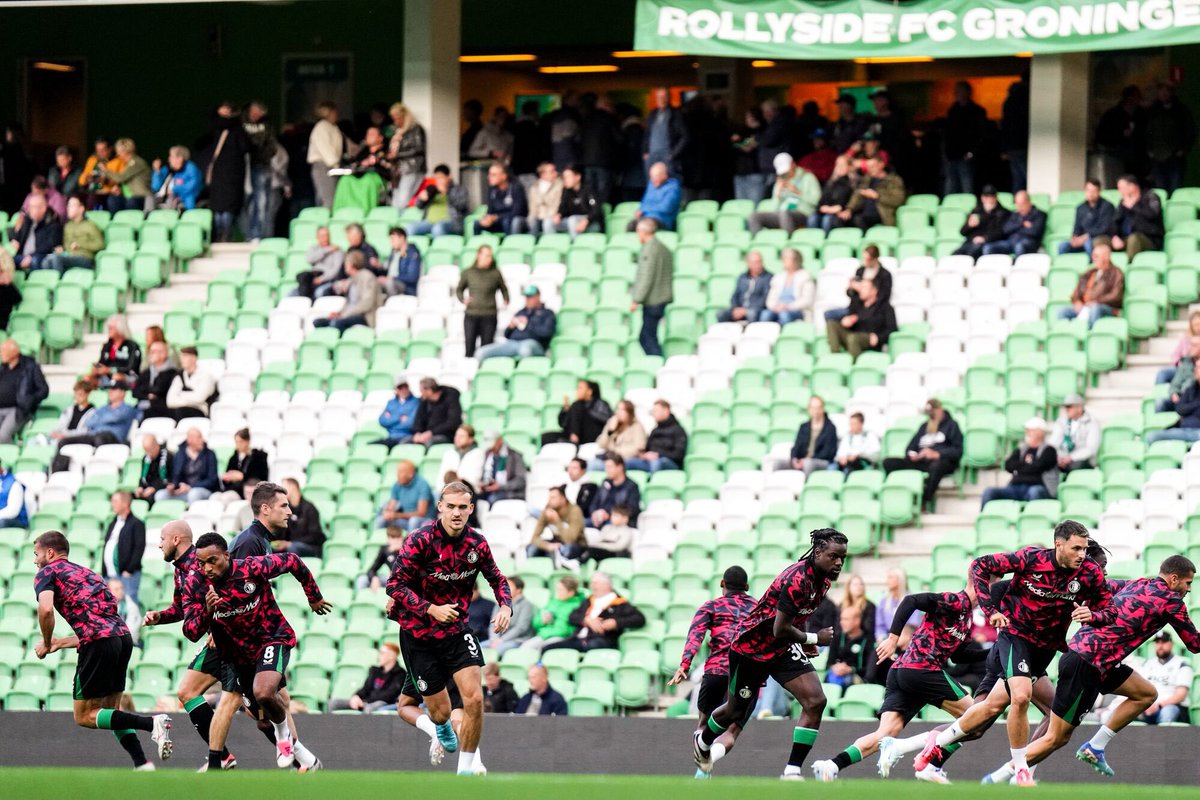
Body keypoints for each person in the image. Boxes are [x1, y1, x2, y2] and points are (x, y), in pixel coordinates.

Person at [913, 521, 1115, 787]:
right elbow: (980, 567)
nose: (1082, 555)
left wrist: (1093, 615)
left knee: (989, 714)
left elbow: (1108, 612)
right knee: (1010, 702)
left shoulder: (1089, 576)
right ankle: (1018, 769)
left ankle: (927, 745)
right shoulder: (1030, 562)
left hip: (1041, 652)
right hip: (1011, 643)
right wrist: (991, 612)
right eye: (1077, 548)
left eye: (1085, 550)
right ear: (1059, 544)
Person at [979, 556, 1198, 783]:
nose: (1188, 589)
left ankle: (1095, 747)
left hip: (1094, 658)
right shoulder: (1172, 601)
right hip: (1087, 663)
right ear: (1174, 579)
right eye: (1188, 583)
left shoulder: (1137, 583)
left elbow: (1096, 591)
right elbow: (1195, 644)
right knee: (1057, 737)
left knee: (1146, 694)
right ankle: (999, 777)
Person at [693, 529, 846, 779]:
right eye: (833, 556)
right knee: (735, 711)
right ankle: (703, 741)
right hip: (751, 649)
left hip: (781, 648)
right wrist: (815, 638)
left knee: (816, 700)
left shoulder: (824, 580)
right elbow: (781, 628)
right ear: (817, 553)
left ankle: (792, 771)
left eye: (842, 558)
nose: (839, 562)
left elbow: (800, 614)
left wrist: (805, 642)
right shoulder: (797, 579)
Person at [386, 481, 514, 776]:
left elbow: (497, 578)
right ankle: (439, 728)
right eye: (451, 506)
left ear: (471, 509)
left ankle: (467, 770)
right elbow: (394, 583)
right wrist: (430, 608)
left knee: (475, 698)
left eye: (462, 508)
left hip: (458, 630)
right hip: (419, 634)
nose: (457, 513)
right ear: (440, 506)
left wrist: (505, 606)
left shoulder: (477, 543)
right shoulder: (420, 540)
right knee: (441, 711)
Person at [183, 532, 330, 771]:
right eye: (201, 563)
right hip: (239, 656)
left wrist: (314, 597)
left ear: (227, 556)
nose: (206, 568)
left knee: (264, 692)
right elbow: (190, 631)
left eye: (213, 560)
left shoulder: (251, 567)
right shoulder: (196, 584)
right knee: (261, 721)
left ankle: (283, 734)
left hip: (272, 637)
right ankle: (306, 760)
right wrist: (207, 612)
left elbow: (293, 561)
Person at [815, 581, 982, 783]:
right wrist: (893, 639)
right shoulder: (954, 600)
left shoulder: (967, 619)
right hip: (921, 667)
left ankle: (831, 765)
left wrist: (995, 651)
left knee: (885, 734)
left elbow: (959, 655)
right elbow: (910, 600)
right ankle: (926, 762)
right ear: (980, 583)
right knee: (976, 718)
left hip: (905, 671)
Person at [31, 531, 173, 769]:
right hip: (122, 638)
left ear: (50, 552)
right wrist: (58, 643)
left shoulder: (47, 572)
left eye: (36, 554)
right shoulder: (89, 574)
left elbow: (46, 610)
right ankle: (142, 764)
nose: (35, 560)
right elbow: (101, 626)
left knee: (84, 715)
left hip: (99, 643)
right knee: (110, 711)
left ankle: (152, 723)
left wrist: (46, 642)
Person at [140, 521, 247, 771]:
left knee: (260, 707)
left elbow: (233, 586)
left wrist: (221, 621)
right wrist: (160, 617)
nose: (159, 544)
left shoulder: (199, 564)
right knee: (188, 691)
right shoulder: (180, 569)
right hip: (218, 641)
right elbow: (181, 609)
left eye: (162, 538)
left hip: (232, 640)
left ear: (176, 539)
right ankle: (221, 756)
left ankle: (299, 758)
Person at [668, 565, 757, 774]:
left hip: (716, 672)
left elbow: (695, 635)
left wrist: (684, 665)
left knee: (704, 723)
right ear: (746, 587)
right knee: (733, 730)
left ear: (722, 585)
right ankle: (706, 767)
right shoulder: (758, 607)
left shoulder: (711, 606)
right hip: (747, 674)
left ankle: (702, 756)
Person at [882, 398, 963, 510]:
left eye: (933, 412)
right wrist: (913, 455)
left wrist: (937, 453)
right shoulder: (924, 426)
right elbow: (910, 447)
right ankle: (900, 496)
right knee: (889, 463)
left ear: (940, 409)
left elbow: (957, 450)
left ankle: (923, 500)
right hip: (921, 461)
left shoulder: (952, 425)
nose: (931, 415)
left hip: (941, 461)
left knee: (937, 467)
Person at [542, 571, 645, 653]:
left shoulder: (620, 603)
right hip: (578, 639)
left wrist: (616, 623)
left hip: (602, 639)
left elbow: (639, 619)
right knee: (547, 649)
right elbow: (572, 616)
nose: (592, 586)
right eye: (591, 583)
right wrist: (586, 620)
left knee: (592, 647)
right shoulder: (588, 601)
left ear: (607, 585)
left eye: (596, 583)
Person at [980, 418, 1058, 508]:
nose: (1027, 433)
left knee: (1035, 492)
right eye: (1027, 430)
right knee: (989, 492)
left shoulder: (1049, 450)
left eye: (1031, 430)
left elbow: (1038, 466)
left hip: (1037, 486)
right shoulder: (1021, 449)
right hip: (1015, 487)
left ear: (1040, 433)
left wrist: (1019, 466)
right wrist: (1028, 465)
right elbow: (1008, 465)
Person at [475, 285, 556, 362]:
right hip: (513, 343)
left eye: (530, 297)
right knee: (481, 352)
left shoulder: (547, 313)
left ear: (538, 296)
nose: (527, 299)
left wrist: (528, 324)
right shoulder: (521, 312)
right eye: (526, 297)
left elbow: (546, 333)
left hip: (534, 344)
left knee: (524, 350)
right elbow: (506, 335)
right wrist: (511, 327)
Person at [456, 245, 510, 358]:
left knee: (487, 349)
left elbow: (504, 289)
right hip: (471, 314)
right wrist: (463, 299)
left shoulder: (495, 273)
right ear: (478, 255)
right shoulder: (468, 272)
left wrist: (506, 299)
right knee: (469, 347)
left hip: (489, 315)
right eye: (486, 255)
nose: (489, 258)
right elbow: (459, 289)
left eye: (490, 256)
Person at [631, 217, 673, 357]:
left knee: (647, 337)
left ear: (643, 232)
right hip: (662, 298)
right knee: (649, 336)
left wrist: (636, 299)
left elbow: (646, 276)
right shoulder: (663, 248)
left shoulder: (649, 250)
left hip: (653, 300)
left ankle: (657, 364)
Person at [1057, 241, 1125, 329]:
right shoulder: (1090, 272)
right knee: (1062, 311)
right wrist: (1077, 301)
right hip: (1085, 306)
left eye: (1096, 256)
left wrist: (1097, 301)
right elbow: (1077, 290)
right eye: (1093, 256)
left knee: (1095, 309)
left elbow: (1116, 295)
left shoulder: (1116, 273)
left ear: (1106, 257)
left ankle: (1090, 337)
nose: (1093, 259)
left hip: (1105, 307)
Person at [747, 153, 820, 234]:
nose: (785, 174)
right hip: (782, 213)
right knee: (754, 217)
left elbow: (816, 200)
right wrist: (778, 195)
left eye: (787, 170)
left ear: (793, 164)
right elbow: (774, 208)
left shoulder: (808, 177)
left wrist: (798, 192)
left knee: (784, 214)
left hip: (803, 213)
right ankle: (759, 243)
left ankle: (788, 242)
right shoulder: (781, 181)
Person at [312, 251, 381, 334]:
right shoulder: (351, 279)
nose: (344, 265)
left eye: (346, 263)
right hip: (348, 314)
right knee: (318, 322)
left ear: (351, 264)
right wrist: (339, 313)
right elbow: (349, 303)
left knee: (337, 323)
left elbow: (367, 304)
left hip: (363, 316)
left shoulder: (367, 277)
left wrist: (346, 314)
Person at [826, 278, 896, 359]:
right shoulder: (857, 304)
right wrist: (845, 321)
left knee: (853, 338)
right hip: (852, 336)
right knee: (831, 324)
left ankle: (855, 367)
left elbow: (892, 328)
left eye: (864, 287)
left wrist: (879, 338)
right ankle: (835, 358)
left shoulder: (885, 308)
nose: (860, 290)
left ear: (874, 290)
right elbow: (849, 315)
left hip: (870, 339)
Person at [1145, 82, 1197, 193]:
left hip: (1175, 156)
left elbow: (1190, 131)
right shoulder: (1152, 111)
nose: (1164, 94)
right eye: (1162, 91)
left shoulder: (1181, 110)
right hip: (1157, 157)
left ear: (1172, 93)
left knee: (1175, 189)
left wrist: (1184, 149)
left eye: (1167, 91)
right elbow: (1147, 132)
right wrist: (1149, 149)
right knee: (1160, 190)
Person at [56, 379, 136, 449]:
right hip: (94, 436)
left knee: (99, 438)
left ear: (123, 393)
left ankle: (96, 464)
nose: (110, 392)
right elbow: (90, 422)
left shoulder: (127, 408)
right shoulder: (103, 408)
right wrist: (105, 419)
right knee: (64, 442)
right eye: (109, 389)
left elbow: (114, 418)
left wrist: (100, 419)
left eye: (114, 389)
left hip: (114, 438)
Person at [1137, 629, 1195, 725]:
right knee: (1131, 712)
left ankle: (1163, 739)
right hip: (1149, 707)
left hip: (1173, 707)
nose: (1160, 646)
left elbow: (1181, 695)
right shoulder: (1147, 664)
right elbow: (1139, 690)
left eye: (1164, 642)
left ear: (1171, 643)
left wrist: (1159, 706)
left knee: (1167, 712)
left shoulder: (1181, 664)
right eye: (1157, 642)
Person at [824, 245, 892, 324]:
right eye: (864, 259)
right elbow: (850, 294)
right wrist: (851, 288)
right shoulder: (860, 271)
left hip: (874, 309)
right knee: (829, 315)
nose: (865, 262)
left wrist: (864, 290)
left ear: (875, 259)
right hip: (856, 307)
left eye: (868, 259)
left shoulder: (885, 275)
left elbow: (884, 296)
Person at [330, 643, 407, 713]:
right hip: (366, 702)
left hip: (383, 703)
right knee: (334, 703)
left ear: (392, 656)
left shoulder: (400, 674)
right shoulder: (375, 671)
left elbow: (389, 695)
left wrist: (366, 701)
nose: (379, 656)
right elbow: (365, 688)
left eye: (382, 653)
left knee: (370, 708)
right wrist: (356, 697)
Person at [943, 81, 988, 195]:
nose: (956, 94)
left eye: (959, 91)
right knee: (950, 187)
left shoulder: (977, 111)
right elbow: (947, 133)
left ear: (967, 93)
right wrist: (946, 153)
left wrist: (972, 152)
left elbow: (981, 135)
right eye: (956, 92)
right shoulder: (952, 111)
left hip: (967, 156)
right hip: (952, 155)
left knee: (967, 186)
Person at [0, 337, 48, 443]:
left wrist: (30, 400)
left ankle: (9, 458)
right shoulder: (2, 368)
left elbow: (44, 390)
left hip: (18, 410)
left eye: (3, 351)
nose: (1, 354)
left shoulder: (30, 367)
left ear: (14, 352)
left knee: (2, 436)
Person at [101, 491, 145, 605]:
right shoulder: (112, 523)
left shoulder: (137, 524)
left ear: (125, 504)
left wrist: (129, 570)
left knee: (129, 605)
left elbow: (139, 548)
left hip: (126, 574)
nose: (112, 504)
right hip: (109, 575)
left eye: (115, 501)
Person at [42, 194, 103, 274]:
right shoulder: (67, 226)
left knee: (56, 259)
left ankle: (60, 283)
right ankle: (52, 284)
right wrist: (62, 249)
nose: (68, 208)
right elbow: (66, 244)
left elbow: (100, 245)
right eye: (68, 206)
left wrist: (80, 244)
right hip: (69, 256)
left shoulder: (90, 225)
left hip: (85, 258)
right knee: (46, 260)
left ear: (81, 209)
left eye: (72, 206)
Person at [1095, 86, 1147, 177]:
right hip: (1116, 157)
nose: (1139, 100)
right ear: (1128, 98)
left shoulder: (1141, 114)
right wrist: (1121, 134)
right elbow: (1102, 135)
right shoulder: (1112, 115)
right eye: (1136, 97)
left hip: (1138, 158)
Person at [157, 427, 219, 504]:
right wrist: (173, 486)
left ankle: (189, 514)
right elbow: (175, 476)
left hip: (201, 489)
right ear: (189, 440)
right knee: (160, 495)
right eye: (198, 438)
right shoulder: (179, 454)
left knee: (194, 494)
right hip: (182, 491)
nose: (202, 440)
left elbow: (212, 480)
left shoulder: (210, 455)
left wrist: (191, 486)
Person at [841, 156, 905, 229]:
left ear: (881, 165)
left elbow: (898, 200)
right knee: (842, 220)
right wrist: (849, 209)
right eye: (868, 167)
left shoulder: (893, 180)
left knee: (858, 219)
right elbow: (857, 194)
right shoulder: (867, 179)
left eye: (872, 166)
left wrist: (877, 196)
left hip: (882, 212)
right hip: (863, 211)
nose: (870, 169)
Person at [626, 399, 687, 473]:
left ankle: (651, 483)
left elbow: (678, 454)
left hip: (669, 462)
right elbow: (647, 449)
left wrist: (658, 454)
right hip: (650, 461)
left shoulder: (678, 430)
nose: (653, 413)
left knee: (656, 463)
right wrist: (644, 455)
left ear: (666, 411)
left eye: (656, 410)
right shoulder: (655, 430)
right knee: (627, 462)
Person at [1111, 174, 1165, 260]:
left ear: (1132, 187)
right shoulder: (1123, 202)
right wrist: (1115, 236)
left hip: (1149, 238)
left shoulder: (1150, 197)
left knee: (1134, 238)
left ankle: (1128, 267)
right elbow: (1115, 221)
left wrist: (1134, 206)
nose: (1119, 191)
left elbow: (1152, 215)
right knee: (1103, 241)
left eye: (1121, 188)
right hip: (1126, 238)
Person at [543, 380, 611, 447]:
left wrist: (587, 412)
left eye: (580, 388)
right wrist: (565, 410)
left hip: (591, 436)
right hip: (574, 436)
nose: (577, 391)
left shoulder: (600, 403)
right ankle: (573, 438)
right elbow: (563, 424)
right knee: (546, 437)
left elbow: (607, 420)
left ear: (589, 392)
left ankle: (574, 439)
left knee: (577, 406)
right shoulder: (576, 404)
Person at [825, 605, 878, 690]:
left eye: (846, 619)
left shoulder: (869, 640)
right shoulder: (837, 638)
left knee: (847, 681)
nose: (842, 622)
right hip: (838, 674)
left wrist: (851, 669)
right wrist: (835, 667)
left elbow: (869, 671)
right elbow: (829, 663)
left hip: (859, 678)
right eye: (841, 619)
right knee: (829, 678)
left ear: (857, 620)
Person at [525, 575, 585, 651]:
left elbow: (568, 629)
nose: (558, 592)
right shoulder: (552, 602)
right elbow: (535, 623)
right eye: (557, 589)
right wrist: (542, 621)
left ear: (571, 592)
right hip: (543, 635)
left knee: (543, 649)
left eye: (561, 590)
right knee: (524, 649)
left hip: (562, 637)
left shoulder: (578, 605)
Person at [409, 164, 470, 237]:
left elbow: (460, 205)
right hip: (429, 222)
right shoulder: (432, 190)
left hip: (450, 222)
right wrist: (421, 199)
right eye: (436, 178)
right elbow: (419, 206)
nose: (438, 181)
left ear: (449, 177)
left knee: (438, 228)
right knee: (410, 228)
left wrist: (446, 191)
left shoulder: (458, 189)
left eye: (441, 178)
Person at [1059, 178, 1116, 256]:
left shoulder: (1107, 206)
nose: (1090, 193)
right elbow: (1077, 227)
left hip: (1099, 238)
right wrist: (1075, 237)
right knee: (1063, 246)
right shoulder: (1080, 208)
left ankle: (1091, 267)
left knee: (1088, 244)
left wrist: (1086, 236)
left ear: (1099, 191)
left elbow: (1104, 228)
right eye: (1088, 190)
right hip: (1082, 240)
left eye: (1093, 191)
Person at [528, 486, 586, 562]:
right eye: (549, 497)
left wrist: (557, 521)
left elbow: (570, 539)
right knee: (531, 548)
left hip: (576, 544)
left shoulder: (574, 511)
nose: (549, 500)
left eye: (553, 498)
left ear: (563, 499)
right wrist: (548, 546)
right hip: (557, 543)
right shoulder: (547, 511)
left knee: (566, 549)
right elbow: (534, 538)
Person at [1147, 360, 1200, 444]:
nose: (1195, 369)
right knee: (1152, 436)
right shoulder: (1191, 388)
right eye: (1195, 367)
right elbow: (1179, 408)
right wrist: (1196, 405)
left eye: (1198, 367)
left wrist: (1189, 408)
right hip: (1182, 429)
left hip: (1197, 431)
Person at [7, 193, 62, 271]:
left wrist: (31, 256)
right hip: (22, 255)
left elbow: (49, 245)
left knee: (34, 261)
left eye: (33, 207)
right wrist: (15, 234)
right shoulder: (27, 220)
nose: (29, 209)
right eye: (30, 206)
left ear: (43, 208)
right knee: (5, 260)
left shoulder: (53, 223)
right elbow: (16, 237)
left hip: (40, 255)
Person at [981, 190, 1046, 256]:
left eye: (1021, 204)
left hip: (1027, 242)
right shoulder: (1015, 214)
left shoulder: (1039, 214)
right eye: (1017, 204)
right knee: (988, 247)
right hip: (1010, 242)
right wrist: (1022, 224)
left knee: (1019, 247)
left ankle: (1018, 265)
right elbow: (1005, 229)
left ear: (1028, 202)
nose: (1019, 207)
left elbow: (1034, 232)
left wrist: (1015, 228)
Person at [1047, 393, 1101, 472]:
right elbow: (1053, 443)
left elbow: (1091, 449)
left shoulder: (1092, 422)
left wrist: (1071, 457)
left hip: (1082, 460)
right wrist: (1057, 457)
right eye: (1065, 407)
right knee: (1047, 462)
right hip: (1063, 458)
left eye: (1069, 406)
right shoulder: (1061, 421)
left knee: (1076, 465)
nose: (1066, 409)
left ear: (1079, 408)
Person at [272, 478, 324, 558]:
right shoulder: (286, 510)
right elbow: (281, 533)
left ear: (293, 488)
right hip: (291, 546)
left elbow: (315, 536)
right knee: (268, 548)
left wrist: (290, 543)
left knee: (292, 548)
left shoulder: (309, 508)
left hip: (311, 547)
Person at [759, 247, 814, 325]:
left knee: (784, 315)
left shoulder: (805, 276)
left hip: (797, 310)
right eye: (783, 258)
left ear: (796, 260)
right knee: (765, 314)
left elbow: (807, 300)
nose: (784, 260)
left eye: (787, 258)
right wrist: (775, 307)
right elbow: (770, 300)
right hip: (778, 308)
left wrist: (788, 307)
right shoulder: (778, 277)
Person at [387, 103, 427, 208]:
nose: (396, 121)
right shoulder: (396, 131)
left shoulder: (415, 129)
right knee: (395, 201)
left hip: (412, 167)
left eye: (398, 118)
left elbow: (418, 149)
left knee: (403, 200)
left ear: (405, 116)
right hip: (397, 171)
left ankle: (403, 223)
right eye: (394, 119)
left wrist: (398, 155)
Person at [377, 460, 434, 532]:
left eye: (401, 472)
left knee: (414, 520)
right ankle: (379, 541)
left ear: (411, 474)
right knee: (382, 519)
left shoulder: (422, 485)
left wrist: (396, 515)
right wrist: (387, 512)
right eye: (397, 472)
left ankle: (410, 543)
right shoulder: (397, 485)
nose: (398, 475)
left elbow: (421, 513)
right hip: (405, 520)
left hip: (424, 521)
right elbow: (392, 505)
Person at [308, 102, 346, 209]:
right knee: (327, 200)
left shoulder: (334, 128)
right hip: (323, 166)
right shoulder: (321, 127)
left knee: (332, 198)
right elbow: (325, 148)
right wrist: (335, 164)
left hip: (332, 167)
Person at [953, 186, 1009, 258]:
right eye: (986, 197)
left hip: (987, 243)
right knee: (955, 255)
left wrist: (984, 238)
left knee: (973, 253)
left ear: (996, 198)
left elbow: (1002, 232)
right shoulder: (976, 211)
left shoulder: (1002, 213)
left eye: (991, 197)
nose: (988, 199)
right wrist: (969, 225)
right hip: (970, 242)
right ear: (982, 198)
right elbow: (962, 232)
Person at [717, 250, 772, 324]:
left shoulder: (768, 277)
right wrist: (736, 309)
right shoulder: (742, 277)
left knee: (752, 314)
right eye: (755, 262)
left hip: (755, 310)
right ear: (748, 264)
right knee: (721, 314)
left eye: (759, 262)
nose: (758, 265)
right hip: (739, 308)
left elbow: (765, 298)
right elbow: (735, 296)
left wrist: (746, 311)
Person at [591, 400, 647, 470]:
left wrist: (616, 453)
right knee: (592, 464)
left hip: (628, 459)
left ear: (629, 413)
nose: (619, 412)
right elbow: (601, 444)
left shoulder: (637, 426)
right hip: (610, 459)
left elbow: (639, 448)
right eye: (617, 409)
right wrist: (610, 432)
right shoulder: (611, 423)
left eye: (622, 410)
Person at [643, 86, 688, 175]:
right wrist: (645, 151)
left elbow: (685, 136)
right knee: (653, 185)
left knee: (670, 183)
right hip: (652, 157)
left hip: (668, 157)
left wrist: (673, 154)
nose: (661, 100)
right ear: (656, 99)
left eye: (664, 97)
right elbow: (647, 134)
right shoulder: (652, 114)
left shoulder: (676, 114)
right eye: (659, 97)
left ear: (669, 98)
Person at [589, 454, 641, 529]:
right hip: (600, 519)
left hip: (618, 522)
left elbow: (632, 509)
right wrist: (594, 513)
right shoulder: (605, 482)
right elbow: (595, 502)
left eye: (609, 467)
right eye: (606, 467)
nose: (607, 470)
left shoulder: (631, 486)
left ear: (620, 467)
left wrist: (610, 515)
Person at [99, 138, 152, 213]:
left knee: (131, 202)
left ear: (125, 152)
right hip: (129, 197)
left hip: (140, 197)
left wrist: (106, 170)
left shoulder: (136, 162)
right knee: (113, 200)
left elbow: (121, 178)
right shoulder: (128, 164)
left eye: (119, 152)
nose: (118, 155)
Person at [789, 396, 838, 476]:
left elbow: (829, 452)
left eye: (818, 408)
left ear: (823, 409)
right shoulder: (803, 427)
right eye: (813, 408)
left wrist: (806, 460)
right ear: (809, 409)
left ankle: (805, 487)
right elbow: (796, 446)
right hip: (803, 460)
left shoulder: (830, 428)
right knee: (777, 463)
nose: (816, 411)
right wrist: (794, 459)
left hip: (821, 461)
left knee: (808, 464)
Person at [89, 314, 141, 388]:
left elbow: (131, 368)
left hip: (127, 376)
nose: (108, 330)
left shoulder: (132, 346)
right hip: (107, 376)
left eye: (111, 328)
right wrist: (97, 368)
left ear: (120, 329)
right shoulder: (107, 345)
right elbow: (101, 362)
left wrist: (110, 370)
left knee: (117, 377)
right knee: (88, 379)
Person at [475, 162, 527, 235]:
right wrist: (487, 218)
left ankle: (509, 245)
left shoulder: (516, 188)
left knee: (506, 221)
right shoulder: (491, 190)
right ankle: (478, 245)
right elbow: (490, 210)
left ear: (504, 176)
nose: (488, 177)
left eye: (493, 175)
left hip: (514, 220)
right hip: (498, 221)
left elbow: (517, 212)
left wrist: (496, 217)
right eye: (489, 174)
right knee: (477, 223)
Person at [627, 161, 681, 231]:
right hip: (646, 218)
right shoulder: (651, 184)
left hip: (662, 220)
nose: (653, 181)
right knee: (631, 226)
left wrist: (644, 209)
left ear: (665, 176)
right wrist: (641, 209)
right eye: (652, 178)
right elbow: (644, 202)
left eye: (656, 178)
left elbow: (665, 208)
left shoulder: (673, 187)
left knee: (645, 226)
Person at [165, 346, 216, 419]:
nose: (182, 359)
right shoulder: (179, 376)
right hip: (180, 409)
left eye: (185, 356)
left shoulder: (205, 376)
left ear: (194, 358)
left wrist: (180, 394)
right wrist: (191, 399)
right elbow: (170, 401)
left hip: (200, 411)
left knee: (181, 411)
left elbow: (200, 397)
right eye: (181, 357)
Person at [555, 164, 604, 238]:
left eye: (568, 176)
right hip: (573, 222)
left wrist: (587, 220)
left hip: (591, 223)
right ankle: (554, 245)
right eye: (564, 177)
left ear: (578, 177)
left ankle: (576, 246)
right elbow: (563, 207)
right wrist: (559, 214)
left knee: (572, 220)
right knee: (549, 222)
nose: (565, 179)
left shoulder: (589, 189)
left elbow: (596, 210)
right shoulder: (567, 191)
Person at [411, 378, 462, 448]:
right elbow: (419, 419)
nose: (421, 393)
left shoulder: (450, 398)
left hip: (446, 434)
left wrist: (431, 432)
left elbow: (453, 422)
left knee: (429, 443)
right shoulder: (424, 401)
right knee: (406, 442)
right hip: (426, 434)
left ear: (429, 391)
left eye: (421, 390)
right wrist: (417, 433)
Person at [477, 433, 527, 506]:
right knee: (473, 498)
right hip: (490, 491)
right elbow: (484, 476)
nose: (491, 449)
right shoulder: (488, 455)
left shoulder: (515, 456)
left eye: (492, 447)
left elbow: (520, 481)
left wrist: (500, 486)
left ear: (500, 441)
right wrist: (483, 484)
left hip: (509, 493)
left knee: (492, 499)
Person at [132, 340, 177, 420]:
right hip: (140, 407)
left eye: (153, 352)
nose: (150, 354)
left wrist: (146, 392)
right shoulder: (146, 372)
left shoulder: (172, 373)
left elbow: (160, 390)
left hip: (161, 410)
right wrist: (148, 395)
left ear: (163, 354)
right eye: (150, 352)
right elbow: (135, 392)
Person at [220, 428, 269, 500]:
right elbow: (227, 476)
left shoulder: (258, 457)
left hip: (247, 491)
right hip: (231, 489)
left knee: (226, 498)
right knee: (215, 496)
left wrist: (242, 476)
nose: (238, 445)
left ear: (248, 441)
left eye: (241, 442)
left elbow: (261, 477)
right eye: (236, 442)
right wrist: (228, 477)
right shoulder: (233, 458)